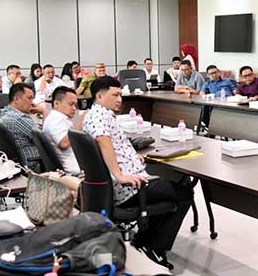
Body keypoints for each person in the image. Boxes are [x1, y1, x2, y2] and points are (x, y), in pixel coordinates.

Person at [82, 77, 192, 269]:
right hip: (129, 187)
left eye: (120, 95)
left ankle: (144, 240)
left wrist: (132, 157)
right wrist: (120, 175)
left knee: (171, 185)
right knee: (185, 193)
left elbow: (114, 145)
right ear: (99, 96)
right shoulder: (100, 117)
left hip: (124, 182)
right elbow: (103, 142)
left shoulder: (95, 114)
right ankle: (154, 246)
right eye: (115, 95)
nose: (120, 99)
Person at [0, 84, 48, 171]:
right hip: (35, 165)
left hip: (18, 164)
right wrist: (44, 112)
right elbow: (46, 139)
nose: (32, 103)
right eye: (29, 98)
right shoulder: (19, 119)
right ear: (17, 99)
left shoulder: (5, 114)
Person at [42, 86, 83, 174]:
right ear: (56, 103)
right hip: (75, 169)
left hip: (77, 164)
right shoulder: (55, 119)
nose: (74, 108)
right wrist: (80, 122)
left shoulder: (56, 118)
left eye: (75, 105)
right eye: (71, 104)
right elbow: (63, 144)